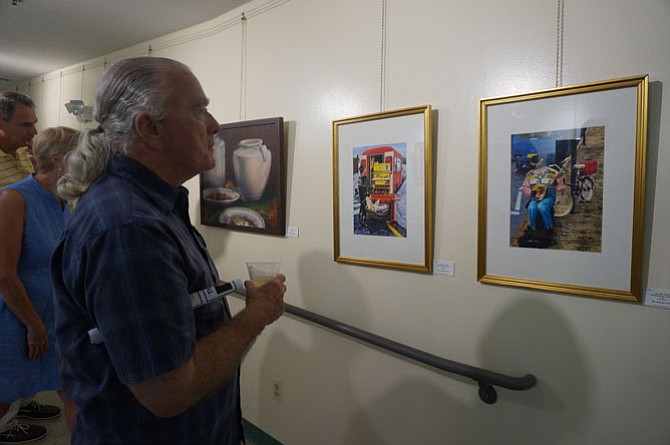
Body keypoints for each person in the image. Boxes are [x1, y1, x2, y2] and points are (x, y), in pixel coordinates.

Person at [50, 56, 287, 445]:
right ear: (150, 129)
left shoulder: (152, 208)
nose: (214, 125)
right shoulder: (130, 227)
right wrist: (257, 314)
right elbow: (169, 391)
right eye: (198, 109)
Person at [0, 127, 79, 444]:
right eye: (81, 155)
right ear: (60, 159)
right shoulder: (14, 199)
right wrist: (33, 325)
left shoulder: (63, 201)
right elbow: (4, 274)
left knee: (76, 396)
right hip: (17, 320)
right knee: (4, 398)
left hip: (56, 322)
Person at [521, 154, 564, 244]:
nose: (536, 169)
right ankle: (532, 228)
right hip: (534, 199)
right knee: (531, 207)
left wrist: (556, 183)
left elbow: (561, 187)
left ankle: (548, 229)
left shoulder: (552, 172)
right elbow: (525, 188)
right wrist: (532, 192)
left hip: (549, 198)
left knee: (542, 206)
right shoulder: (530, 175)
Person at [0, 92, 37, 189]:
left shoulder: (27, 151)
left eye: (34, 123)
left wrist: (40, 167)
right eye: (25, 125)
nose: (34, 132)